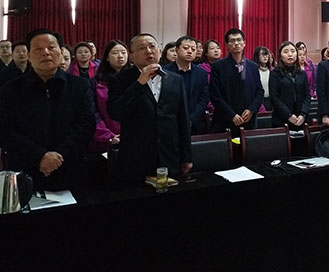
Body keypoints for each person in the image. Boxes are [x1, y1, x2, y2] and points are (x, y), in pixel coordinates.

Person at [0, 29, 95, 196]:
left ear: (61, 52)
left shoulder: (79, 86)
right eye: (38, 49)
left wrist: (59, 156)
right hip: (25, 170)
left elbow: (86, 125)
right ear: (29, 56)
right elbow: (5, 130)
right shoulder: (10, 90)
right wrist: (40, 156)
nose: (45, 52)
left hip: (69, 167)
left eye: (51, 47)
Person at [108, 33, 192, 181]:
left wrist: (186, 156)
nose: (148, 51)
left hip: (170, 156)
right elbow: (115, 112)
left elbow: (183, 120)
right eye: (142, 48)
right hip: (136, 158)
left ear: (159, 51)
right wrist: (139, 84)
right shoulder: (119, 79)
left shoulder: (175, 79)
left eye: (152, 46)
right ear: (131, 56)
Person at [210, 28, 264, 133]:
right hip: (225, 121)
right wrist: (232, 115)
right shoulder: (218, 67)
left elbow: (259, 91)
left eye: (239, 40)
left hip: (248, 120)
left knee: (247, 144)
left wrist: (251, 110)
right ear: (227, 45)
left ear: (244, 43)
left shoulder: (253, 66)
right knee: (229, 143)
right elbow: (215, 95)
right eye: (232, 41)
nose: (236, 43)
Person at [88, 40, 129, 153]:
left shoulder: (137, 79)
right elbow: (92, 112)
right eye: (115, 53)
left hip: (133, 137)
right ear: (106, 57)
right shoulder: (96, 82)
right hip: (105, 139)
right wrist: (108, 136)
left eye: (123, 52)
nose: (120, 56)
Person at [164, 35, 210, 134]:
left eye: (193, 49)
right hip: (171, 123)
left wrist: (192, 119)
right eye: (185, 48)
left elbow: (204, 98)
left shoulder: (201, 73)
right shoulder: (165, 71)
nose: (189, 51)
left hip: (194, 123)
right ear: (176, 50)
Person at [269, 41, 310, 128]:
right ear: (280, 56)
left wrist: (303, 114)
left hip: (301, 119)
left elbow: (307, 96)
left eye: (293, 51)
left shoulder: (302, 73)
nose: (290, 54)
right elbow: (274, 98)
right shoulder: (275, 73)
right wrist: (289, 115)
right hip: (281, 119)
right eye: (286, 52)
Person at [254, 46, 274, 111]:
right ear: (257, 56)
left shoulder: (273, 71)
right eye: (262, 54)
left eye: (266, 54)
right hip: (259, 101)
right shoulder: (254, 71)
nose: (265, 57)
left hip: (272, 101)